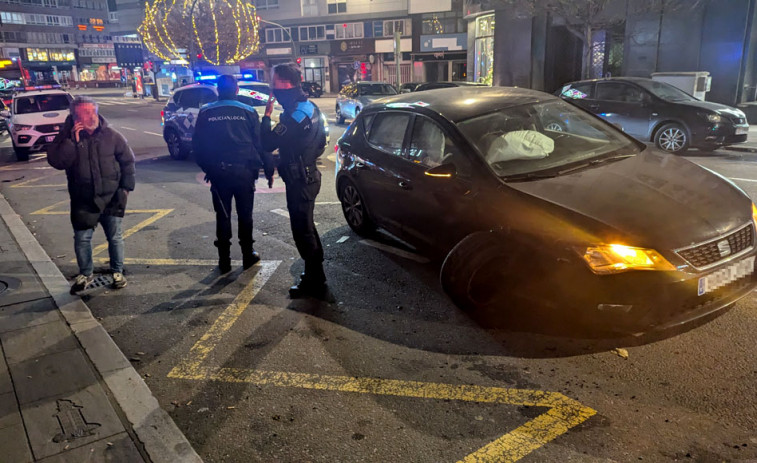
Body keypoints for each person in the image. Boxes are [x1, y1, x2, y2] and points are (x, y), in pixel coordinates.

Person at [47, 96, 136, 294]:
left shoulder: (112, 135)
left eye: (92, 112)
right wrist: (73, 141)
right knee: (82, 239)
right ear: (75, 116)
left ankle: (117, 272)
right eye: (84, 113)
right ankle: (86, 274)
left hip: (112, 196)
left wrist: (126, 188)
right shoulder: (66, 137)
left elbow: (127, 161)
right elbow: (57, 161)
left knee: (115, 237)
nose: (90, 117)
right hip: (83, 199)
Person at [193, 74, 274, 274]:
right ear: (237, 90)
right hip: (244, 172)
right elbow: (260, 143)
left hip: (218, 173)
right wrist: (269, 169)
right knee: (245, 215)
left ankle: (224, 260)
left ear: (218, 91)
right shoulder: (248, 111)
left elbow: (198, 145)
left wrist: (208, 168)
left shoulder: (206, 112)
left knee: (223, 215)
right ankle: (248, 255)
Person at [261, 63, 328, 299]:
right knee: (306, 227)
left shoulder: (296, 114)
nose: (271, 87)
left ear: (285, 83)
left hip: (301, 178)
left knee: (302, 230)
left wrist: (267, 116)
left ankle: (314, 281)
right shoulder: (308, 107)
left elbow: (268, 142)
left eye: (274, 82)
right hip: (306, 174)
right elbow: (321, 141)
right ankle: (316, 274)